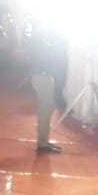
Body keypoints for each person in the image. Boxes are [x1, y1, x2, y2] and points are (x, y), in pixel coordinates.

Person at [29, 24, 65, 154]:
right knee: (45, 110)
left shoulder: (40, 41)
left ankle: (44, 140)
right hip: (42, 76)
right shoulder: (40, 42)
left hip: (43, 76)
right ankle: (42, 143)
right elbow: (48, 57)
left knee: (47, 109)